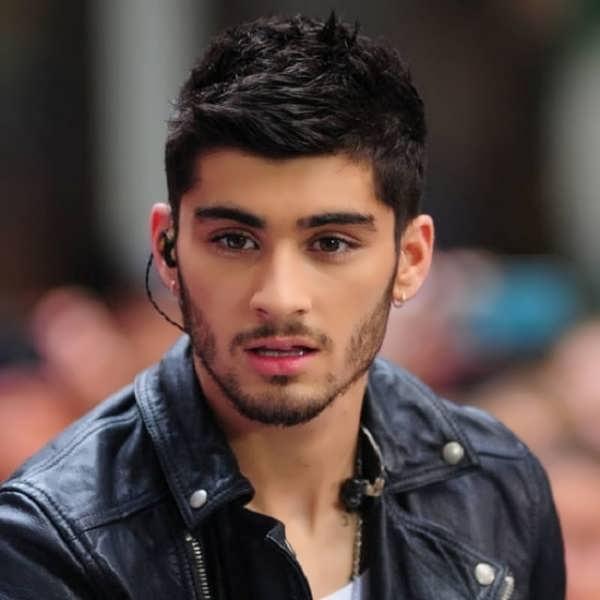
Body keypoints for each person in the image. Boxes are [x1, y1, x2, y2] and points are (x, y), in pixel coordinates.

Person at [0, 13, 565, 600]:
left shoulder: (495, 488)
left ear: (411, 259)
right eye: (234, 241)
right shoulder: (53, 542)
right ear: (168, 249)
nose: (279, 297)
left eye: (331, 243)